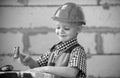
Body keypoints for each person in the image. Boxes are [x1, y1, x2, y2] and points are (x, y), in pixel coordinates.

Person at [14, 2, 86, 78]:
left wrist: (46, 69)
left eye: (66, 28)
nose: (61, 31)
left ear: (79, 29)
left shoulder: (77, 50)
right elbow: (38, 66)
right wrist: (29, 61)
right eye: (58, 27)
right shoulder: (54, 49)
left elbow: (72, 72)